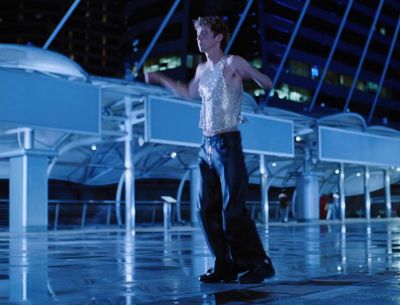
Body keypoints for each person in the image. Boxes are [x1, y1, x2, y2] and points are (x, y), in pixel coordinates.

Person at [145, 16, 275, 284]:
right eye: (197, 34)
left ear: (218, 37)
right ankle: (225, 264)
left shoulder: (232, 62)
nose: (199, 38)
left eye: (204, 33)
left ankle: (260, 263)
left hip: (228, 144)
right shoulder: (202, 70)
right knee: (206, 210)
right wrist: (159, 78)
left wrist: (253, 76)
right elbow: (187, 93)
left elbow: (267, 83)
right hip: (206, 148)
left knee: (233, 209)